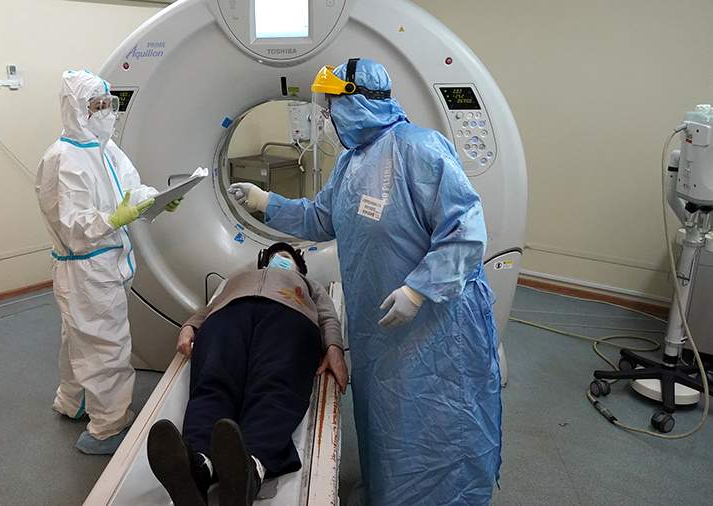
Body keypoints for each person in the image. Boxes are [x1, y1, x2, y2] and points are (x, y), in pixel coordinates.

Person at [229, 59, 502, 505]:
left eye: (331, 106)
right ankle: (388, 493)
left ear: (355, 101)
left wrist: (418, 289)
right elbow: (321, 218)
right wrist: (265, 202)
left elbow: (466, 230)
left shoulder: (420, 149)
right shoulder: (350, 164)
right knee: (388, 418)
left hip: (436, 324)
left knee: (436, 418)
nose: (327, 117)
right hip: (380, 327)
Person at [36, 70, 182, 455]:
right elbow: (73, 227)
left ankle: (73, 401)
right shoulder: (63, 159)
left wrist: (156, 200)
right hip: (85, 268)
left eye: (108, 103)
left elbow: (131, 189)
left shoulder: (106, 149)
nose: (105, 112)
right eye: (96, 105)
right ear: (76, 109)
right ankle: (108, 426)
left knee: (78, 338)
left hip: (110, 261)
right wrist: (115, 219)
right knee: (105, 347)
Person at [146, 243, 348, 506]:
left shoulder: (310, 285)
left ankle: (249, 469)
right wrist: (189, 326)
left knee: (275, 386)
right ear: (264, 261)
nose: (281, 260)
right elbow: (210, 307)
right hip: (227, 316)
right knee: (212, 383)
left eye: (287, 257)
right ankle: (198, 467)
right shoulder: (238, 278)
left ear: (299, 268)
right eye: (276, 256)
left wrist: (334, 347)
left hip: (289, 315)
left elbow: (328, 316)